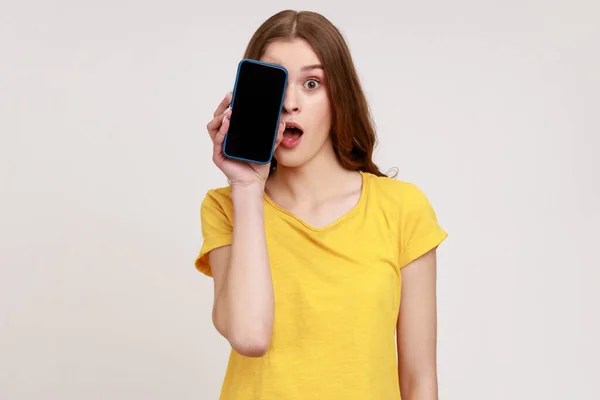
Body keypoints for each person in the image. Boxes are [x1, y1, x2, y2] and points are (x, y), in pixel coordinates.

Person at [195, 9, 448, 400]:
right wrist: (247, 187)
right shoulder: (227, 207)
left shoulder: (401, 209)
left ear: (339, 98)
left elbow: (419, 382)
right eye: (276, 83)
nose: (290, 103)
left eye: (312, 83)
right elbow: (249, 336)